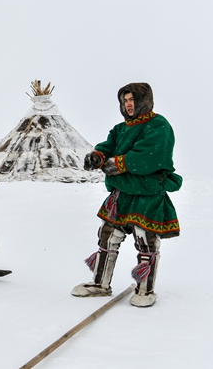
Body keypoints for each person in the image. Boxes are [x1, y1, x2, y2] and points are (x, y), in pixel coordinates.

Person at [71, 82, 182, 307]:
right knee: (107, 236)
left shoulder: (159, 125)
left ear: (143, 101)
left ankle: (145, 289)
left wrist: (117, 164)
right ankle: (100, 284)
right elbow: (109, 145)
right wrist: (98, 156)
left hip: (147, 194)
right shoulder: (121, 128)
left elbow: (148, 157)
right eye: (125, 101)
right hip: (121, 195)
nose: (128, 105)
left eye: (132, 100)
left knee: (145, 241)